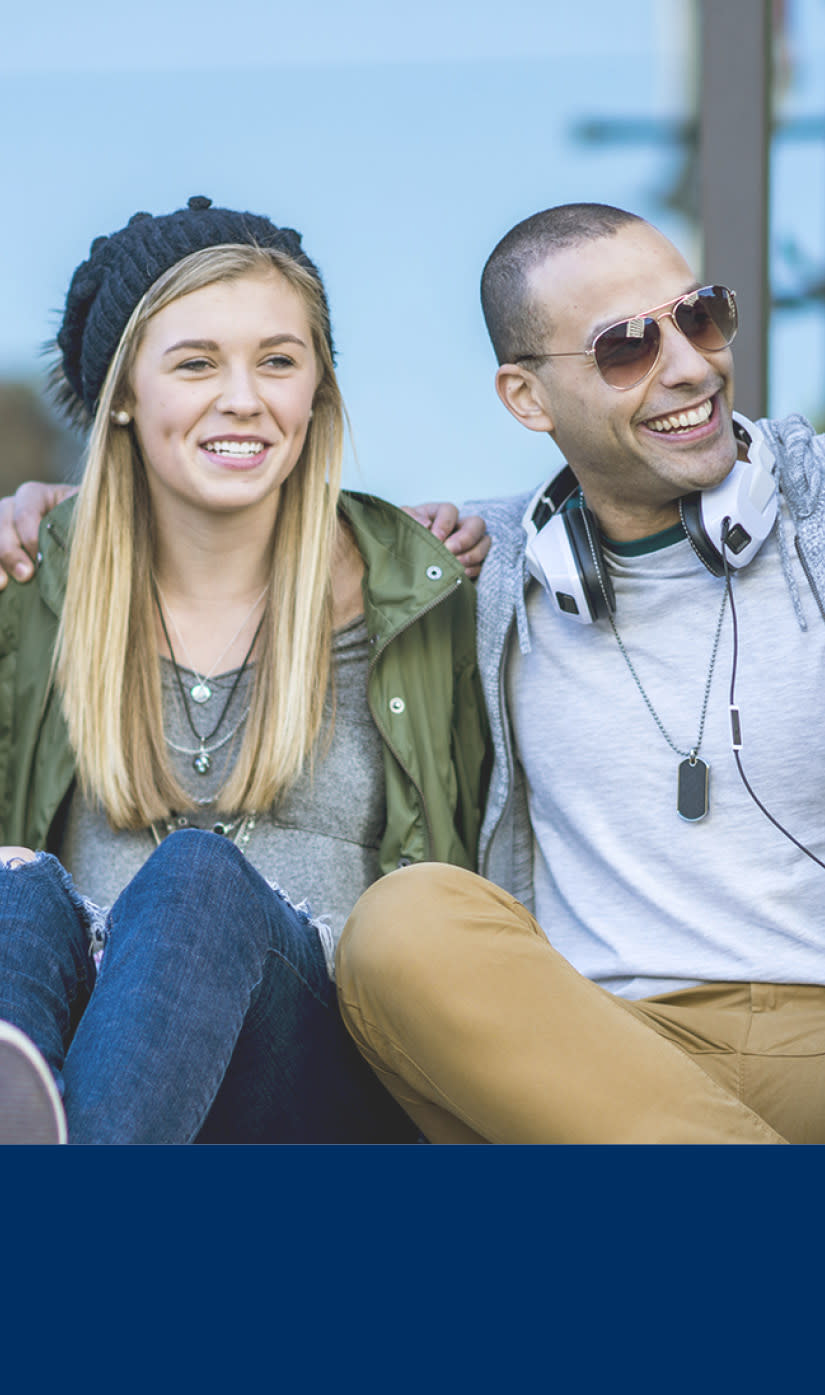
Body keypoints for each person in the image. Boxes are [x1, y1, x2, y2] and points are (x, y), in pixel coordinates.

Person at [0, 195, 490, 1145]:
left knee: (198, 876)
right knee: (14, 890)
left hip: (327, 1078)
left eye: (277, 360)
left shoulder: (424, 592)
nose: (242, 397)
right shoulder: (31, 591)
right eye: (195, 363)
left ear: (317, 391)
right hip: (93, 1046)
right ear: (124, 395)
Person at [331, 202, 825, 1144]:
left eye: (700, 316)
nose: (690, 366)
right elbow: (228, 546)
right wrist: (61, 513)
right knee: (403, 924)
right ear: (527, 399)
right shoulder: (471, 569)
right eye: (625, 346)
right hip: (595, 1065)